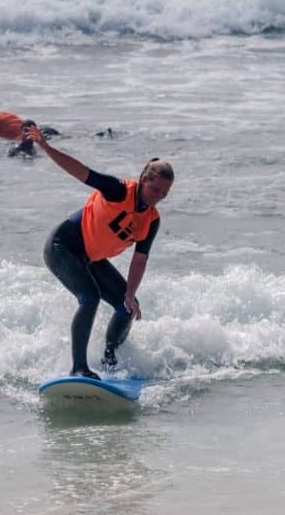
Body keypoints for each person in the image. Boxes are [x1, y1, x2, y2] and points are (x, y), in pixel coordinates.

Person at [25, 124, 174, 379]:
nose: (158, 196)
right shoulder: (118, 190)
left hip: (91, 258)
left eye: (164, 193)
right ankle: (78, 368)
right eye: (155, 189)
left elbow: (140, 260)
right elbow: (81, 171)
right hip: (62, 247)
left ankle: (109, 359)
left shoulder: (152, 220)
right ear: (143, 180)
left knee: (127, 307)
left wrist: (130, 293)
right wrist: (46, 147)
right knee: (90, 297)